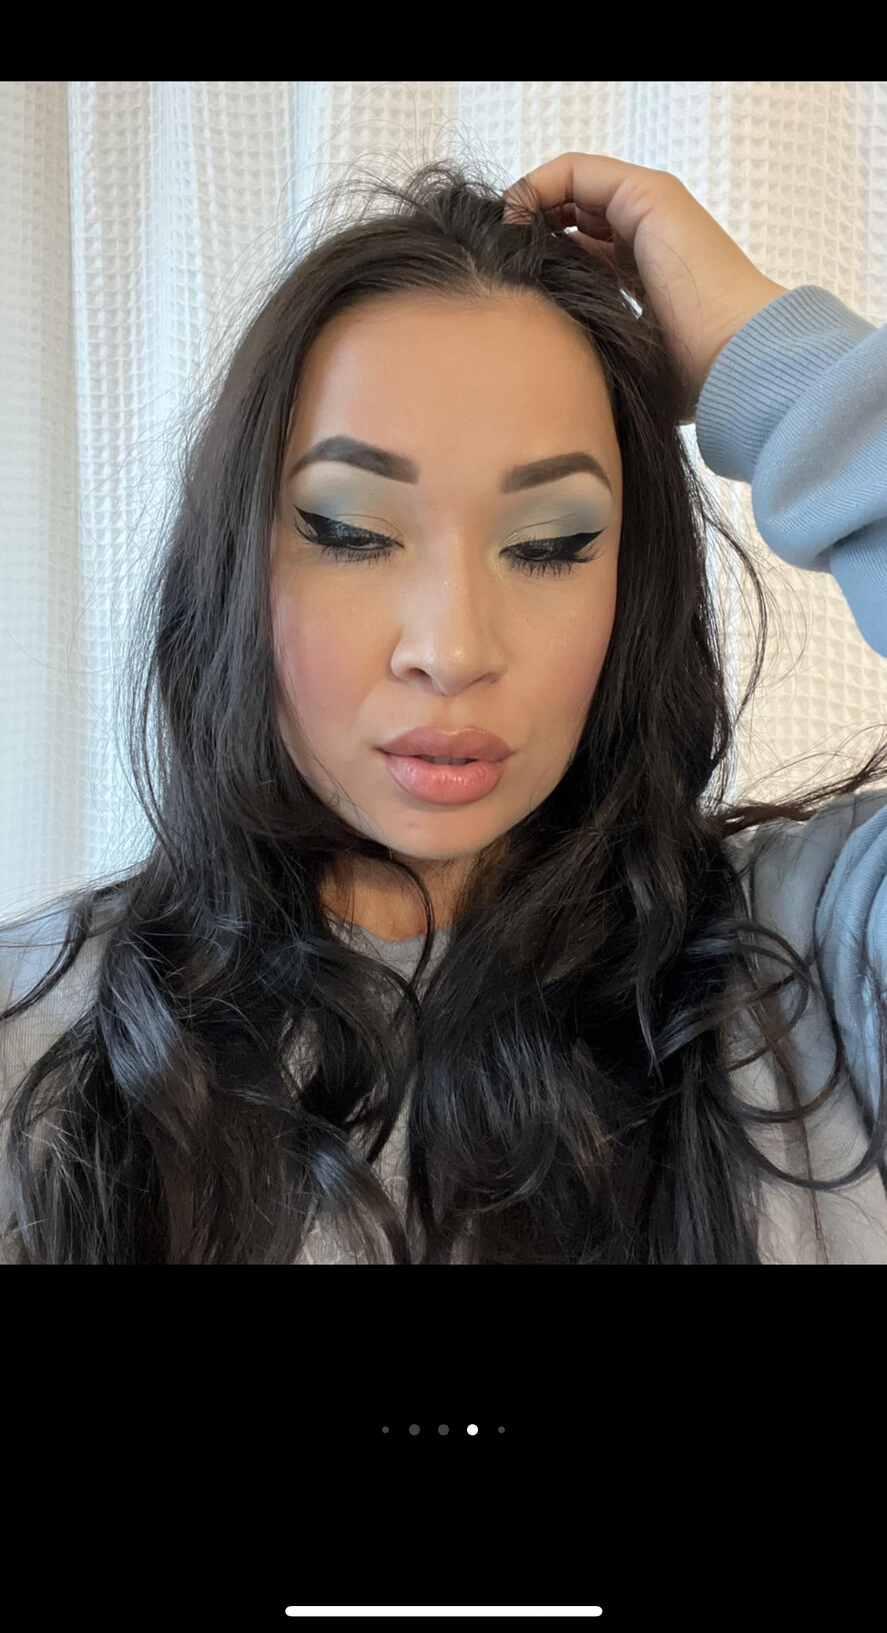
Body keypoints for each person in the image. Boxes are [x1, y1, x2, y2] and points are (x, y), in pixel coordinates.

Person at [2, 153, 886, 1264]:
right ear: (236, 562)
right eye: (351, 531)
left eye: (549, 544)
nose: (453, 651)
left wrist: (770, 369)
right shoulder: (33, 1044)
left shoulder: (818, 965)